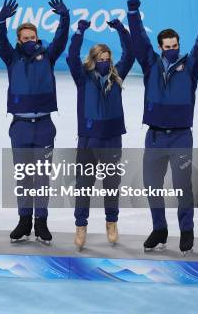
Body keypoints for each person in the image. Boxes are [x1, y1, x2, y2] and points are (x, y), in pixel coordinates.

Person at [127, 0, 198, 254]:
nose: (171, 50)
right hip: (154, 137)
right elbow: (139, 38)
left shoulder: (190, 67)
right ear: (160, 47)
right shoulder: (150, 64)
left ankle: (186, 230)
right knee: (152, 185)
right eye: (167, 47)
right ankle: (159, 229)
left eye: (175, 46)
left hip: (180, 138)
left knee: (182, 186)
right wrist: (133, 13)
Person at [0, 0, 70, 243]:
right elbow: (0, 41)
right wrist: (1, 20)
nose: (29, 41)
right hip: (20, 127)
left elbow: (60, 39)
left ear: (37, 38)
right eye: (25, 38)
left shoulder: (48, 56)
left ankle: (41, 222)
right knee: (24, 177)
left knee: (42, 178)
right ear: (19, 40)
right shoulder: (11, 57)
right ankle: (24, 220)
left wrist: (64, 17)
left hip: (45, 126)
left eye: (32, 37)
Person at [66, 18, 134, 250]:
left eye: (107, 60)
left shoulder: (117, 76)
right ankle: (80, 226)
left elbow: (130, 52)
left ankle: (111, 223)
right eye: (100, 60)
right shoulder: (83, 79)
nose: (105, 63)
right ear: (93, 60)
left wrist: (122, 30)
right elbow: (71, 56)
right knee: (84, 186)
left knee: (111, 184)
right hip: (88, 140)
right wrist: (79, 32)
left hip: (113, 139)